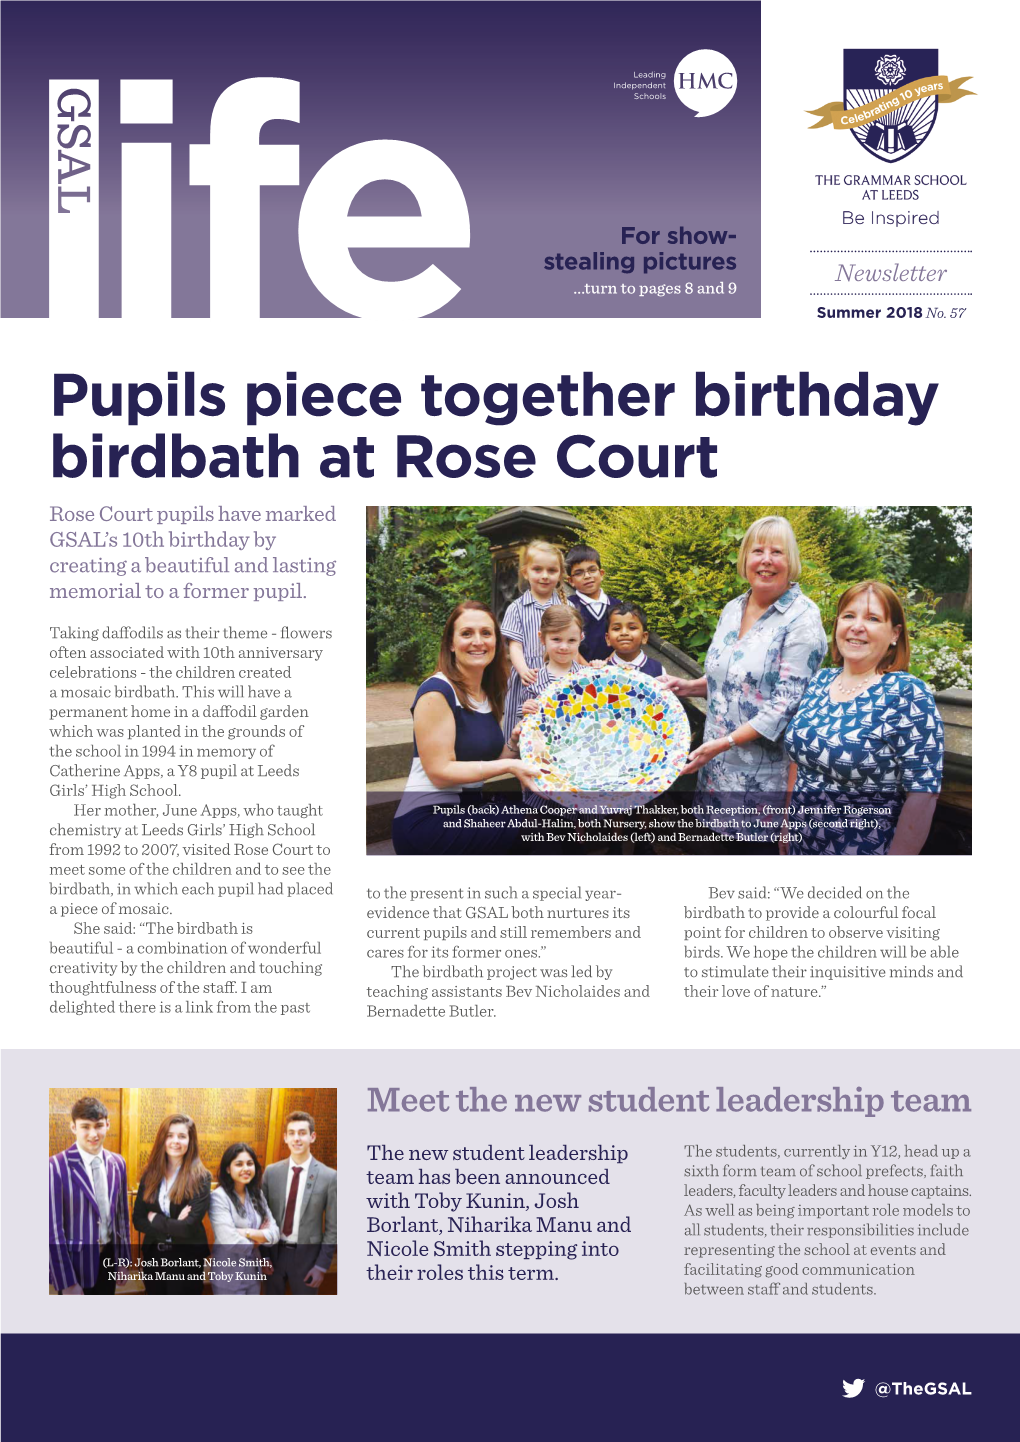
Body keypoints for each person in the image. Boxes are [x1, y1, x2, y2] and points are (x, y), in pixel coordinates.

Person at [660, 515, 827, 846]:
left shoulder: (803, 620)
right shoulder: (733, 608)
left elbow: (785, 706)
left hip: (760, 788)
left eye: (776, 552)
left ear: (791, 561)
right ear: (745, 559)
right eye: (757, 550)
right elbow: (732, 679)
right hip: (713, 775)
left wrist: (722, 744)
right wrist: (690, 687)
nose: (766, 560)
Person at [782, 581, 944, 855]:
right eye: (848, 616)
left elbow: (923, 792)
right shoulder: (821, 680)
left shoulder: (907, 694)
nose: (857, 626)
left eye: (872, 618)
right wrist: (786, 825)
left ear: (895, 633)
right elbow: (798, 763)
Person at [391, 601, 538, 855]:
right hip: (428, 820)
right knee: (542, 828)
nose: (478, 641)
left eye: (486, 633)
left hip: (468, 810)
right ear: (451, 643)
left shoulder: (488, 692)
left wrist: (514, 743)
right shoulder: (436, 691)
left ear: (496, 641)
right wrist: (510, 765)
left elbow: (483, 761)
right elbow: (440, 772)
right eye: (467, 633)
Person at [49, 1095, 131, 1295]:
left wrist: (123, 1261)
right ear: (73, 1128)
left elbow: (121, 1218)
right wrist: (66, 1281)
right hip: (76, 1266)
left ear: (107, 1125)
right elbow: (52, 1231)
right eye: (85, 1126)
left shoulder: (118, 1163)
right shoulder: (56, 1166)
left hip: (108, 1260)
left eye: (98, 1126)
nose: (93, 1133)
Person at [132, 1114, 211, 1295]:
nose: (175, 1141)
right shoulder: (149, 1174)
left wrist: (155, 1219)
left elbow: (187, 1228)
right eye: (170, 1135)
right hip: (154, 1257)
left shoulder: (202, 1177)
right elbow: (137, 1219)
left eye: (182, 1136)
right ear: (162, 1139)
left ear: (190, 1141)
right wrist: (173, 1225)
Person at [262, 1112, 337, 1295]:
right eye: (292, 1133)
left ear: (312, 1137)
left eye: (302, 1133)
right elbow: (261, 1218)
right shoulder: (271, 1173)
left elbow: (333, 1227)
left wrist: (321, 1266)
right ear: (285, 1138)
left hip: (308, 1259)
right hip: (274, 1255)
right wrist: (263, 1257)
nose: (297, 1138)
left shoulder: (329, 1177)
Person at [500, 540, 568, 742]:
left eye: (552, 570)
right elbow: (515, 645)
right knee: (521, 720)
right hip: (528, 675)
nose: (545, 575)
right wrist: (522, 670)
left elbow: (573, 644)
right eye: (537, 569)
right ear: (525, 572)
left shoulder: (566, 607)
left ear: (560, 574)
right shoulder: (517, 608)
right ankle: (514, 753)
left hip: (559, 674)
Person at [208, 1143, 279, 1295]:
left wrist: (246, 1232)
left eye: (250, 1163)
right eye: (239, 1164)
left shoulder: (257, 1195)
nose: (246, 1169)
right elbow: (230, 1241)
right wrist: (259, 1239)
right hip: (228, 1276)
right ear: (228, 1169)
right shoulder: (218, 1197)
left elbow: (275, 1234)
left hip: (253, 1274)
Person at [565, 545, 621, 662]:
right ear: (571, 581)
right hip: (580, 672)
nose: (587, 576)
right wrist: (588, 670)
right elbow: (566, 643)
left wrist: (610, 663)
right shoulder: (568, 606)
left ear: (601, 573)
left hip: (613, 670)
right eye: (579, 573)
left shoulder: (618, 605)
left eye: (592, 570)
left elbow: (623, 638)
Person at [605, 602, 664, 676]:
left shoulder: (657, 669)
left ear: (644, 637)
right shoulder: (602, 670)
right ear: (608, 639)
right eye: (617, 628)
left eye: (632, 628)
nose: (624, 633)